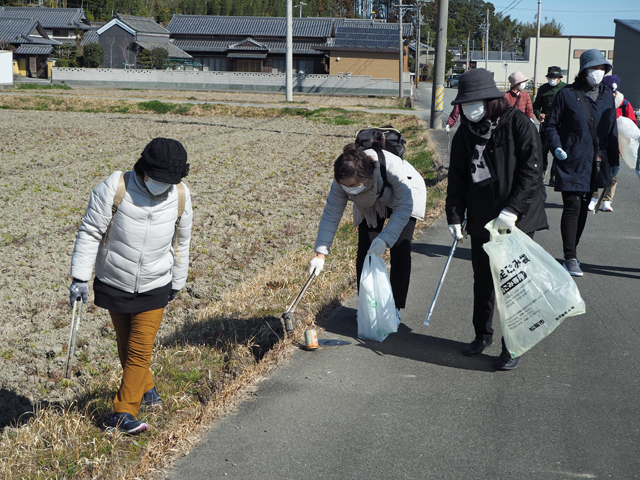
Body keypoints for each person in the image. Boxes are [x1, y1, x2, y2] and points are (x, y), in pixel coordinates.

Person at [69, 138, 193, 435]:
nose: (163, 185)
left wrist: (177, 281)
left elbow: (183, 242)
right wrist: (79, 277)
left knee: (139, 350)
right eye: (159, 179)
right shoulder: (115, 187)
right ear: (145, 171)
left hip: (155, 283)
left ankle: (122, 414)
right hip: (115, 280)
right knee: (125, 346)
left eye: (170, 180)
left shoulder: (180, 195)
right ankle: (147, 389)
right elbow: (90, 231)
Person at [446, 68, 548, 370]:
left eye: (473, 102)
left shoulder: (517, 123)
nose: (468, 109)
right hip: (482, 217)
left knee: (512, 284)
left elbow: (533, 170)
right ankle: (482, 334)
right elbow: (458, 177)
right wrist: (455, 215)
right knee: (484, 281)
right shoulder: (465, 132)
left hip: (517, 218)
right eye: (463, 104)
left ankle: (512, 345)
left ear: (491, 100)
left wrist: (513, 209)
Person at [309, 142, 427, 321]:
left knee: (400, 249)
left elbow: (404, 206)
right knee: (366, 249)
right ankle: (367, 306)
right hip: (370, 205)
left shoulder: (391, 167)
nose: (348, 189)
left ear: (365, 177)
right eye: (345, 186)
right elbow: (331, 214)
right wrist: (320, 254)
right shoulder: (343, 179)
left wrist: (386, 239)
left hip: (405, 197)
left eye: (352, 185)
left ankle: (394, 306)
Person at [545, 49, 619, 277]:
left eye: (602, 68)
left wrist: (614, 161)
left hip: (595, 162)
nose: (599, 72)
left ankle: (571, 252)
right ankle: (570, 257)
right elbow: (550, 126)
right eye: (594, 68)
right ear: (584, 70)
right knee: (572, 205)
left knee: (586, 205)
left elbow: (612, 128)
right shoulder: (566, 94)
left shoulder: (607, 95)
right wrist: (556, 147)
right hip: (571, 159)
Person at [589, 75, 638, 212]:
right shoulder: (598, 102)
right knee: (596, 170)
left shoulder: (624, 104)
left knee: (613, 173)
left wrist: (622, 125)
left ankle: (607, 200)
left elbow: (632, 125)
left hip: (617, 146)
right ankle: (593, 197)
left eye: (612, 91)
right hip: (599, 143)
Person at [533, 66, 567, 185]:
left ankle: (554, 176)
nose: (551, 79)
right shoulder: (543, 89)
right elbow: (536, 106)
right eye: (550, 77)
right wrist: (538, 115)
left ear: (559, 78)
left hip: (561, 124)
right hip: (546, 124)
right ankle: (542, 173)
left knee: (558, 150)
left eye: (554, 77)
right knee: (543, 150)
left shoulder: (566, 88)